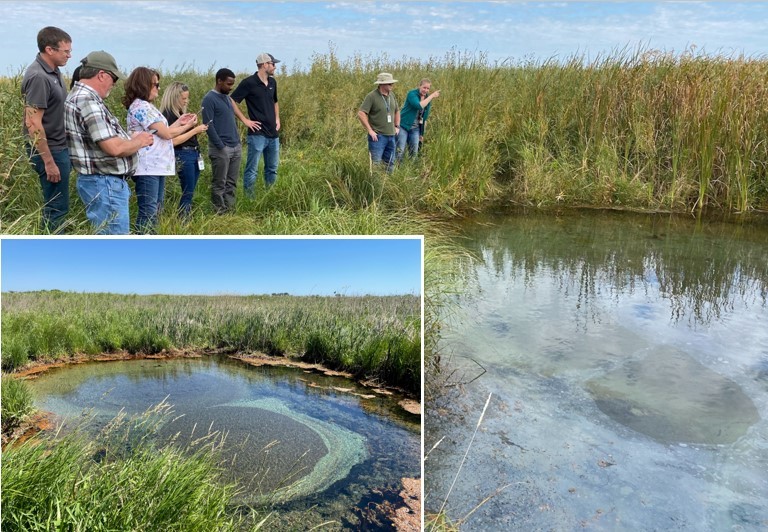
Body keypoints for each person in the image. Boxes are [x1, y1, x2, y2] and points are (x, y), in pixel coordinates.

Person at [64, 51, 154, 234]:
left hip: (103, 183)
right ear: (102, 75)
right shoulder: (87, 100)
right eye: (114, 78)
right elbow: (113, 147)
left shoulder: (81, 97)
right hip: (105, 183)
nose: (114, 84)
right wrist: (140, 141)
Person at [123, 68, 201, 233]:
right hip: (147, 167)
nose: (158, 88)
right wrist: (189, 127)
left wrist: (180, 122)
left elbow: (160, 132)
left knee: (155, 209)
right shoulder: (141, 107)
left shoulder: (147, 106)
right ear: (144, 85)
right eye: (155, 84)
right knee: (149, 212)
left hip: (155, 166)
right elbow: (166, 134)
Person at [21, 26, 72, 233]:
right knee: (56, 207)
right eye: (65, 51)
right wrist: (49, 162)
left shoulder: (53, 71)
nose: (69, 55)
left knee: (58, 204)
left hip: (58, 147)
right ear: (49, 50)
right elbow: (33, 123)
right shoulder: (39, 76)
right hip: (49, 150)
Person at [231, 52, 280, 196]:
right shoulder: (249, 83)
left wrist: (277, 119)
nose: (275, 67)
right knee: (252, 169)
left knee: (272, 168)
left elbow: (275, 102)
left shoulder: (272, 83)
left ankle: (270, 196)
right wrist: (245, 120)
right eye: (273, 64)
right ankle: (249, 198)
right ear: (265, 65)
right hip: (257, 134)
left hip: (273, 133)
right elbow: (232, 101)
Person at [159, 81, 209, 219]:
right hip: (183, 153)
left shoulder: (180, 113)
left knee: (190, 190)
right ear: (174, 98)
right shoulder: (167, 115)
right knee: (188, 191)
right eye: (183, 98)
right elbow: (172, 141)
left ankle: (185, 216)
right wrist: (194, 130)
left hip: (193, 153)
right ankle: (183, 219)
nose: (186, 101)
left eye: (187, 98)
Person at [202, 68, 244, 214]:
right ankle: (219, 212)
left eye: (232, 84)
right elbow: (208, 125)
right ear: (219, 81)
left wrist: (238, 142)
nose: (231, 87)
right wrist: (221, 146)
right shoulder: (209, 99)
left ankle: (230, 210)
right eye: (228, 84)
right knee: (219, 182)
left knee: (231, 182)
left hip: (235, 146)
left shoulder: (227, 98)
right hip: (221, 149)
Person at [358, 73, 400, 173]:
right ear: (381, 84)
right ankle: (375, 185)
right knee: (375, 164)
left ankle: (387, 184)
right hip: (378, 137)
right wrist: (370, 130)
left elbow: (397, 111)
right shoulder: (372, 96)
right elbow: (361, 113)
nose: (391, 85)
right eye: (389, 83)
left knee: (390, 164)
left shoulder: (391, 96)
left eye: (392, 83)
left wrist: (397, 126)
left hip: (391, 135)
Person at [396, 78, 440, 161]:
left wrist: (422, 133)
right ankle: (396, 169)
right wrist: (431, 96)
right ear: (419, 86)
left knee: (414, 152)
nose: (426, 90)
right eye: (424, 87)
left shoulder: (427, 98)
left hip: (416, 128)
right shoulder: (412, 94)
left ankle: (411, 169)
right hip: (403, 126)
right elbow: (418, 105)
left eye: (428, 88)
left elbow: (425, 117)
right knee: (400, 150)